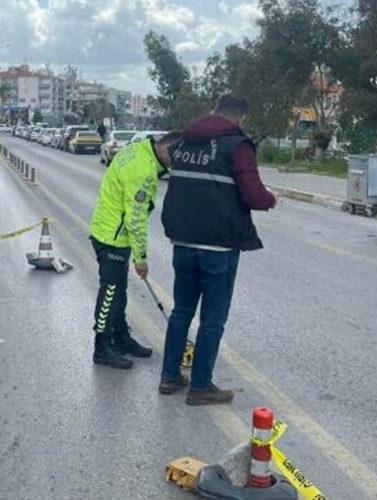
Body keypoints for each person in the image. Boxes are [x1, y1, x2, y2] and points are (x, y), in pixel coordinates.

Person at [159, 95, 277, 405]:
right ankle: (200, 387)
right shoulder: (237, 146)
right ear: (240, 120)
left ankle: (169, 376)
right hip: (218, 248)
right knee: (212, 319)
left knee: (181, 310)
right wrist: (270, 199)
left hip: (182, 242)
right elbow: (253, 194)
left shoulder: (183, 144)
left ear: (214, 113)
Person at [89, 131, 181, 369]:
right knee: (110, 292)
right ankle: (102, 346)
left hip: (110, 229)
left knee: (119, 290)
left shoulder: (141, 147)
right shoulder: (143, 170)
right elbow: (135, 218)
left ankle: (120, 337)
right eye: (175, 160)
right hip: (112, 236)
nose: (173, 167)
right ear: (165, 149)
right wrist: (141, 258)